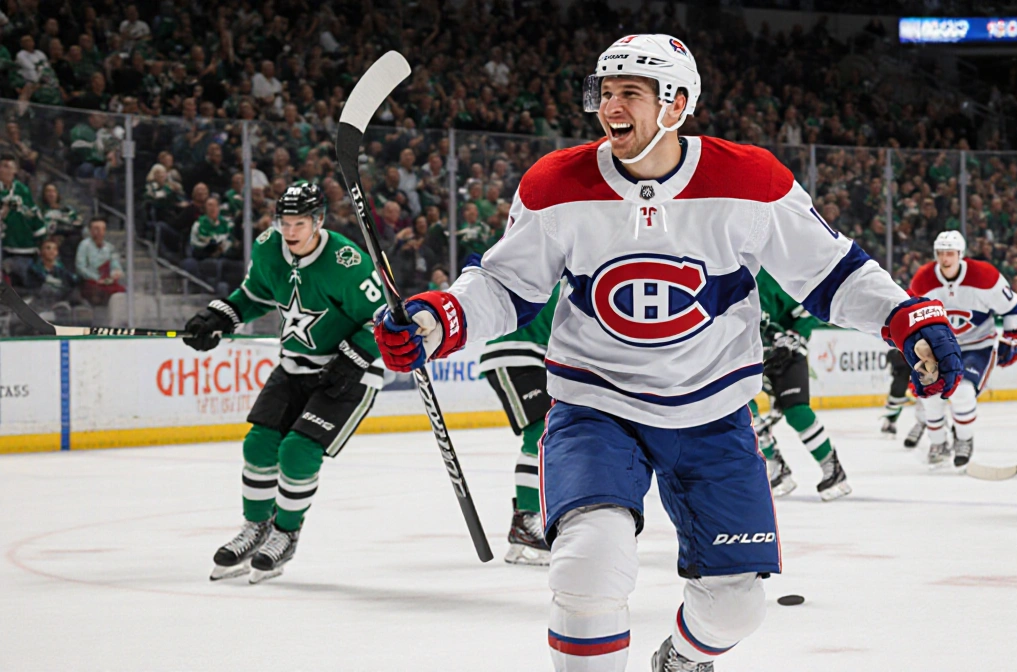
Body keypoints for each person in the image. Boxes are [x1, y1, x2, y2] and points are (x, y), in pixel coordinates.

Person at [373, 34, 963, 672]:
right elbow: (505, 284)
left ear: (677, 105)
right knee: (587, 566)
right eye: (605, 91)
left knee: (736, 607)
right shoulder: (555, 183)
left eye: (631, 92)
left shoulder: (751, 180)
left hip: (713, 414)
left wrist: (907, 317)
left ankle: (680, 659)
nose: (610, 105)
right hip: (595, 406)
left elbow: (831, 272)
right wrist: (439, 319)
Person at [183, 183, 386, 583]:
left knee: (297, 450)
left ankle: (286, 533)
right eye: (284, 222)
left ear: (318, 221)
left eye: (299, 223)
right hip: (294, 366)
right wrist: (220, 316)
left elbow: (382, 320)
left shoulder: (347, 262)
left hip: (349, 371)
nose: (290, 232)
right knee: (259, 443)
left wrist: (354, 356)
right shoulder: (267, 248)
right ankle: (256, 528)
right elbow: (255, 294)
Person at [908, 230, 1017, 469]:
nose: (945, 259)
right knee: (930, 394)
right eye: (941, 253)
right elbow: (910, 317)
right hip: (938, 349)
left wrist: (1013, 338)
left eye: (950, 253)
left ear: (960, 254)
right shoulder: (923, 279)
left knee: (962, 392)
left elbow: (1014, 306)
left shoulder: (985, 276)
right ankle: (938, 443)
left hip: (978, 345)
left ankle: (964, 440)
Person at [479, 280, 562, 565]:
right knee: (541, 434)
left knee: (553, 435)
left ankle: (536, 519)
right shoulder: (552, 265)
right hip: (514, 354)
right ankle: (526, 521)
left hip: (537, 358)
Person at [751, 269, 851, 500]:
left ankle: (832, 469)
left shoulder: (772, 274)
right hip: (747, 356)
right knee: (744, 412)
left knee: (797, 411)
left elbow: (806, 313)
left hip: (785, 353)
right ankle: (776, 467)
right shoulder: (722, 273)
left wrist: (794, 336)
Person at [0, 154, 45, 281]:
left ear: (15, 171)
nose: (6, 170)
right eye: (3, 167)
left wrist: (40, 235)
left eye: (9, 167)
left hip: (23, 246)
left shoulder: (22, 189)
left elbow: (32, 212)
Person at [880, 348, 926, 447]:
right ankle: (891, 419)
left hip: (925, 350)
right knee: (899, 385)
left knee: (927, 383)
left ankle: (922, 422)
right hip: (905, 349)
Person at [74, 217, 125, 306]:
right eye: (96, 229)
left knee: (122, 294)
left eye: (103, 229)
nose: (100, 232)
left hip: (107, 281)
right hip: (90, 282)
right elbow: (80, 267)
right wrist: (97, 279)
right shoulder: (84, 245)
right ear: (90, 230)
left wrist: (116, 271)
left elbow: (115, 263)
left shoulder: (109, 247)